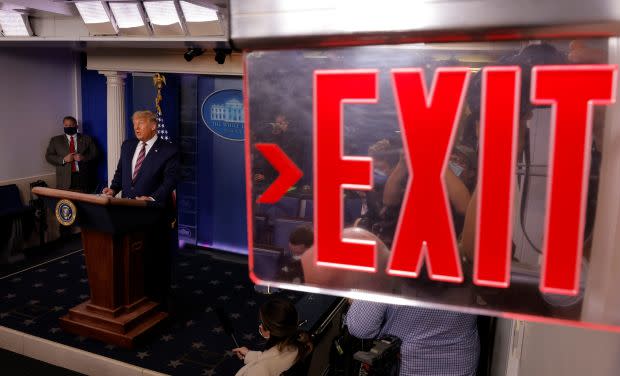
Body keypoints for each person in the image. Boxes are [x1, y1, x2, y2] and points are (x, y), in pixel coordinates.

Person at [102, 110, 179, 304]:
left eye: (141, 123)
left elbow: (170, 182)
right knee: (132, 255)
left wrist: (151, 199)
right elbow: (121, 173)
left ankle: (158, 300)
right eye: (135, 123)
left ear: (153, 126)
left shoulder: (169, 150)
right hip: (128, 212)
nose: (136, 127)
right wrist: (113, 189)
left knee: (155, 257)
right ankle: (135, 295)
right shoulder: (128, 146)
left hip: (154, 214)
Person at [347, 300, 479, 376]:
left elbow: (361, 327)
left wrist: (359, 298)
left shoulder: (390, 258)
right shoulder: (472, 253)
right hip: (461, 363)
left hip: (408, 367)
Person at [232, 298, 312, 376]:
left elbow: (264, 365)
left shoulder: (257, 370)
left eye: (262, 323)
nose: (260, 326)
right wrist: (248, 354)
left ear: (268, 332)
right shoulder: (297, 347)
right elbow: (272, 359)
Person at [45, 116, 98, 192]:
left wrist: (83, 157)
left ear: (76, 126)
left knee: (84, 201)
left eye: (71, 125)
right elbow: (48, 156)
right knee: (66, 202)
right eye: (66, 125)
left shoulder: (87, 138)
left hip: (84, 178)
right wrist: (63, 159)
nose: (68, 127)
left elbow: (95, 154)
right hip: (64, 179)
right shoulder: (55, 140)